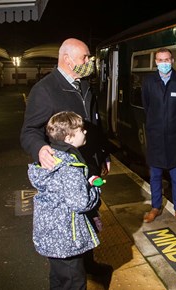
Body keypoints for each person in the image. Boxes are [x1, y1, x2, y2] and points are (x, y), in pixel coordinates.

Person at [20, 38, 111, 274]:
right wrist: (39, 149)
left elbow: (95, 125)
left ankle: (88, 263)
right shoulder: (45, 90)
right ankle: (73, 270)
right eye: (85, 57)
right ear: (67, 59)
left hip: (88, 164)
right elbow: (29, 131)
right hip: (67, 172)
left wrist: (104, 154)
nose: (89, 62)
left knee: (89, 215)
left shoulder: (84, 85)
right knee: (71, 223)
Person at [28, 111, 102, 289]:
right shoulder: (70, 166)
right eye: (81, 130)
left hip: (52, 233)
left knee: (59, 278)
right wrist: (95, 189)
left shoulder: (53, 157)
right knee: (74, 281)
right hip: (67, 237)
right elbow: (80, 203)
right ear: (69, 138)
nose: (85, 132)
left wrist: (84, 182)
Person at [141, 48, 176, 227]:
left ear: (172, 61)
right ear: (156, 62)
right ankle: (155, 207)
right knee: (155, 175)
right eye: (160, 60)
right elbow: (147, 107)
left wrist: (173, 123)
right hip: (155, 137)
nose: (163, 63)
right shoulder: (148, 82)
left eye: (166, 59)